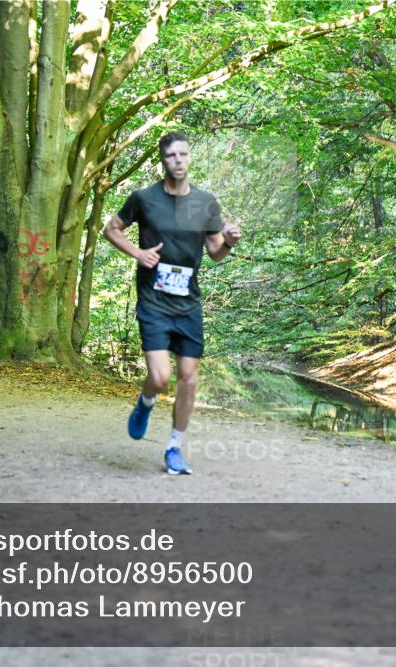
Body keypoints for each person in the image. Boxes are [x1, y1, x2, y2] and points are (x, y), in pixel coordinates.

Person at [103, 131, 242, 475]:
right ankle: (146, 402)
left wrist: (228, 241)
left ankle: (174, 449)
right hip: (153, 301)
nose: (177, 161)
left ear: (189, 158)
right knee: (161, 377)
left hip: (188, 304)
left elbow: (215, 254)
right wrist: (137, 253)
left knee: (189, 378)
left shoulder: (205, 203)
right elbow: (112, 229)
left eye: (183, 154)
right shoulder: (144, 198)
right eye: (170, 156)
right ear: (162, 161)